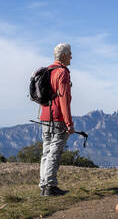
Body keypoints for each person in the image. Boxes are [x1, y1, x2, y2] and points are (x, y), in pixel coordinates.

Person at [39, 43, 74, 196]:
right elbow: (64, 100)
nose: (72, 56)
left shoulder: (48, 71)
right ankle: (50, 186)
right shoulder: (62, 73)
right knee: (55, 151)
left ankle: (44, 185)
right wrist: (69, 123)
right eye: (70, 53)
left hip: (45, 116)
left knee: (46, 150)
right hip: (58, 117)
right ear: (64, 55)